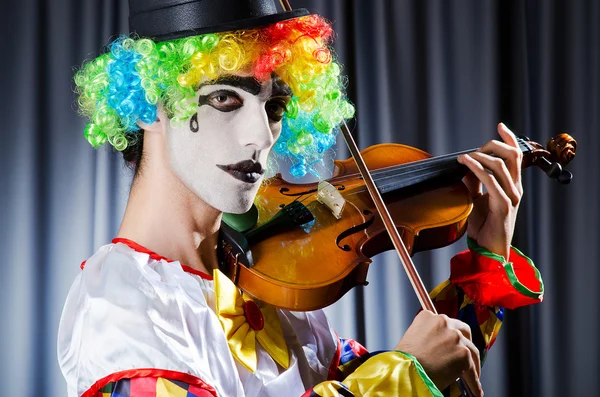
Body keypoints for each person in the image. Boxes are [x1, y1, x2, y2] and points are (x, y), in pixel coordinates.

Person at [57, 1, 544, 396]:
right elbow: (396, 381)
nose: (259, 137)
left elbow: (436, 372)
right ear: (147, 102)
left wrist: (486, 259)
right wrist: (403, 377)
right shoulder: (119, 314)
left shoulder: (267, 284)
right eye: (225, 98)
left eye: (275, 105)